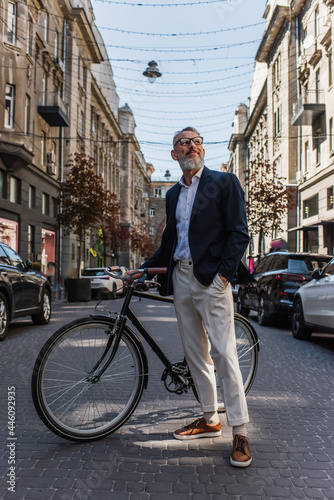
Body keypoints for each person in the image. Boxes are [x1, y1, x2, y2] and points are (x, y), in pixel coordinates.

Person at [136, 126, 251, 467]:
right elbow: (170, 241)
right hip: (181, 277)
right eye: (184, 143)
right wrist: (143, 268)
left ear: (203, 150)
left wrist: (222, 277)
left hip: (211, 280)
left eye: (197, 141)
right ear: (174, 154)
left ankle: (240, 431)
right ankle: (209, 418)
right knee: (195, 353)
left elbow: (239, 233)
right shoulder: (172, 194)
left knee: (224, 353)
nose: (191, 147)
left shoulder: (223, 183)